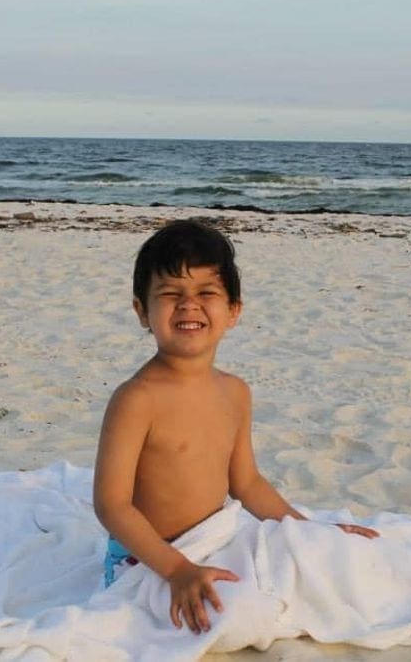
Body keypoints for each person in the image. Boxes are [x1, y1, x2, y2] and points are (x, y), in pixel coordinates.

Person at [93, 219, 379, 635]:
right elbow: (111, 505)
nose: (189, 305)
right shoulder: (136, 399)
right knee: (235, 617)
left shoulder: (235, 392)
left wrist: (305, 531)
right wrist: (177, 570)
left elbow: (245, 484)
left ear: (233, 311)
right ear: (142, 311)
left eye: (206, 293)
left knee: (331, 565)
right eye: (171, 294)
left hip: (215, 539)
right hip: (148, 558)